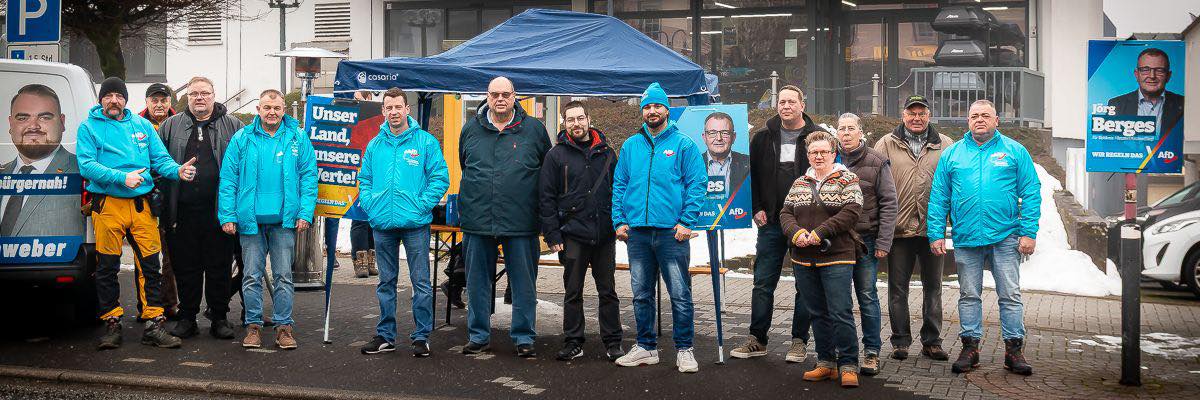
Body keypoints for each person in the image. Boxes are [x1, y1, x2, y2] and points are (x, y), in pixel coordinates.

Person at [78, 77, 195, 350]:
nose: (114, 100)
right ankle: (112, 324)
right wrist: (122, 177)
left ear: (126, 100)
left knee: (151, 266)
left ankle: (154, 324)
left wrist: (177, 170)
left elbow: (160, 159)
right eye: (108, 96)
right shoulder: (88, 127)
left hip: (142, 206)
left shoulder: (141, 126)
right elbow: (86, 165)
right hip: (108, 205)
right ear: (101, 99)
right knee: (107, 267)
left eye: (119, 96)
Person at [928, 99, 1039, 376]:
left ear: (996, 120)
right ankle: (970, 348)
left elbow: (1031, 191)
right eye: (974, 115)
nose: (980, 119)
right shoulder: (952, 154)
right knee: (969, 295)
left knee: (1010, 294)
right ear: (968, 121)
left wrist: (1028, 232)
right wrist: (936, 233)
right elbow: (939, 196)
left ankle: (1014, 351)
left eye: (985, 115)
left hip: (1005, 236)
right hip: (966, 237)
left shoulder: (1015, 151)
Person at [612, 82, 706, 373]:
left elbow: (697, 184)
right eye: (647, 107)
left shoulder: (684, 145)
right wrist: (619, 220)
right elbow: (620, 184)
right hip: (637, 233)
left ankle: (685, 350)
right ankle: (646, 347)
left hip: (671, 234)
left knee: (680, 294)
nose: (652, 111)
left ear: (667, 110)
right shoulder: (631, 145)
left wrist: (686, 222)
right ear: (642, 111)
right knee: (641, 294)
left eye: (657, 106)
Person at [458, 76, 552, 358]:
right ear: (487, 96)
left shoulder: (534, 130)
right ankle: (478, 336)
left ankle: (524, 337)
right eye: (495, 94)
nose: (500, 99)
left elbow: (546, 171)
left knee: (523, 283)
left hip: (521, 219)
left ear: (515, 96)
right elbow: (464, 164)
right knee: (477, 282)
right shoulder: (471, 129)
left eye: (505, 94)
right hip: (478, 219)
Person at [218, 89, 318, 350]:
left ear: (284, 109)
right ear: (258, 110)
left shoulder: (298, 137)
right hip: (250, 221)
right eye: (267, 108)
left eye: (276, 108)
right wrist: (227, 215)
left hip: (284, 221)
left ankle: (284, 328)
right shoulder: (242, 138)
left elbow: (309, 176)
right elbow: (228, 179)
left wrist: (305, 213)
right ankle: (253, 327)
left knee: (284, 276)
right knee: (251, 276)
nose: (272, 112)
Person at [732, 85, 825, 362]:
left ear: (802, 105)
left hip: (805, 224)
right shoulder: (762, 137)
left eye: (791, 102)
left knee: (804, 285)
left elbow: (827, 175)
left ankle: (798, 341)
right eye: (782, 102)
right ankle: (757, 339)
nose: (786, 106)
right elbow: (750, 176)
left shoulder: (817, 137)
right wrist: (756, 208)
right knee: (763, 282)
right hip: (771, 222)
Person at [356, 88, 449, 357]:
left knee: (421, 282)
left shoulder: (425, 142)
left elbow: (440, 178)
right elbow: (364, 180)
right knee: (386, 283)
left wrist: (421, 205)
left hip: (415, 224)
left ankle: (421, 337)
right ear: (383, 111)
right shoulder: (375, 145)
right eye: (389, 108)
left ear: (407, 110)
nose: (394, 112)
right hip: (382, 223)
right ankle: (386, 336)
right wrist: (371, 205)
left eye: (398, 107)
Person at [156, 76, 243, 340]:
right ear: (187, 98)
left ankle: (219, 317)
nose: (199, 98)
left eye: (204, 93)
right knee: (186, 268)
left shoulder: (233, 125)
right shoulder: (170, 126)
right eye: (194, 94)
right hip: (181, 212)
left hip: (219, 211)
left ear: (214, 95)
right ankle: (187, 318)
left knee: (219, 267)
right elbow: (156, 162)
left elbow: (246, 165)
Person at [538, 100, 624, 362]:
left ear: (589, 120)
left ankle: (613, 342)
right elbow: (546, 197)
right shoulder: (555, 155)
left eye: (580, 118)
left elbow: (619, 191)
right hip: (572, 235)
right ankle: (574, 341)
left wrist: (619, 223)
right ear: (564, 123)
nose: (576, 124)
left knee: (607, 291)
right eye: (570, 120)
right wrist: (552, 234)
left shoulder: (608, 153)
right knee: (573, 292)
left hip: (604, 235)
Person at [873, 94, 953, 362]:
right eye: (912, 113)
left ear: (929, 115)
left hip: (933, 231)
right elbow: (876, 184)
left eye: (922, 113)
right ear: (903, 115)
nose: (916, 118)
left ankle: (932, 341)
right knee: (898, 289)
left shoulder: (945, 145)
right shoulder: (886, 143)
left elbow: (954, 185)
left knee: (934, 288)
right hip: (898, 230)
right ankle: (900, 341)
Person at [780, 131, 863, 388]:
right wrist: (796, 233)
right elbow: (785, 213)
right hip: (804, 259)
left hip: (837, 257)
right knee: (817, 313)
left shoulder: (848, 179)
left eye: (824, 152)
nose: (819, 156)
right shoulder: (799, 183)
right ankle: (826, 362)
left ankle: (848, 365)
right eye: (814, 152)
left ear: (833, 154)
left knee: (840, 312)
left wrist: (819, 233)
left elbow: (852, 211)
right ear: (808, 156)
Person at [833, 113, 896, 376]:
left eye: (851, 128)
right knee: (838, 300)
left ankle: (871, 351)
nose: (846, 133)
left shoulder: (877, 161)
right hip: (835, 242)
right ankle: (841, 351)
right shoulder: (829, 158)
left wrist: (883, 242)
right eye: (842, 129)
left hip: (865, 242)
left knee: (867, 296)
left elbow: (889, 203)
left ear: (861, 132)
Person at [2, 84, 83, 237]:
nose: (33, 126)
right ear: (11, 124)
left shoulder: (84, 174)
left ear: (62, 122)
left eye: (45, 117)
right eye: (23, 118)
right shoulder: (3, 174)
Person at [1107, 47, 1184, 131]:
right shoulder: (1116, 105)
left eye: (1159, 70)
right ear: (1137, 74)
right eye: (1145, 70)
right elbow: (1108, 138)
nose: (1152, 76)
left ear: (1168, 76)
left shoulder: (1184, 104)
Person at [701, 111, 749, 189]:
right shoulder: (691, 165)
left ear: (733, 137)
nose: (719, 138)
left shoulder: (749, 163)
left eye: (725, 133)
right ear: (704, 137)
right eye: (712, 133)